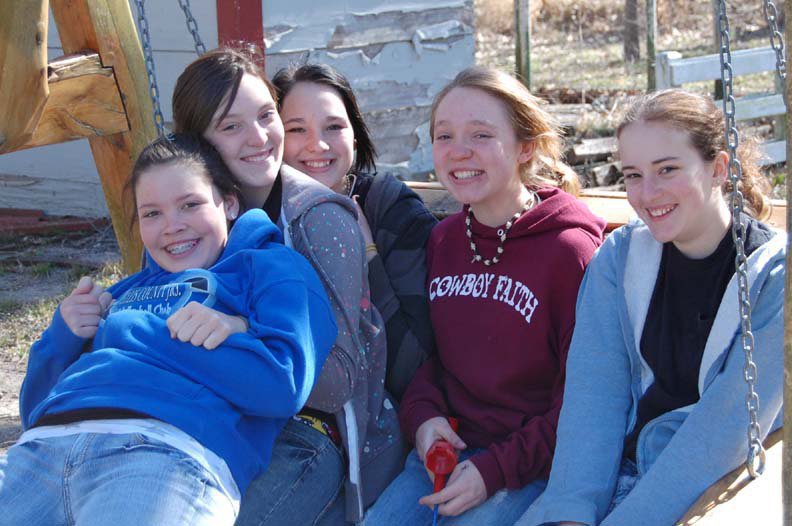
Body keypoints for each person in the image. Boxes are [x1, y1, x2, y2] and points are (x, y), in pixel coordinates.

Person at [0, 133, 336, 526]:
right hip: (42, 450)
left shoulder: (268, 267)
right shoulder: (125, 291)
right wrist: (61, 338)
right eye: (152, 213)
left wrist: (130, 330)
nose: (172, 226)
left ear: (228, 203)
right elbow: (36, 408)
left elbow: (283, 382)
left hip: (162, 453)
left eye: (189, 204)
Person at [517, 89, 785, 526]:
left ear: (718, 168)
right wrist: (571, 513)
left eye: (668, 169)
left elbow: (722, 435)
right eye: (633, 175)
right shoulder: (620, 259)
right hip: (624, 468)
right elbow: (594, 398)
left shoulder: (772, 277)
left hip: (716, 489)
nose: (648, 193)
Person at [364, 66, 606, 526]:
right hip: (445, 453)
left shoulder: (569, 253)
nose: (459, 152)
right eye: (444, 136)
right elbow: (438, 360)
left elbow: (585, 402)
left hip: (528, 466)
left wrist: (496, 470)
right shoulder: (446, 239)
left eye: (480, 135)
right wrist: (424, 417)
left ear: (525, 147)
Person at [171, 49, 403, 525]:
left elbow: (338, 381)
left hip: (311, 435)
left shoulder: (317, 220)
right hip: (209, 420)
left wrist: (237, 332)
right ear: (197, 142)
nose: (259, 138)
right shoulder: (182, 214)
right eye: (231, 126)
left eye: (265, 116)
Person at [272, 62, 438, 401]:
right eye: (297, 129)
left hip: (387, 420)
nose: (317, 145)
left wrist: (367, 257)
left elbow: (416, 366)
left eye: (333, 126)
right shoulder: (263, 219)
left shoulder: (392, 211)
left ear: (356, 136)